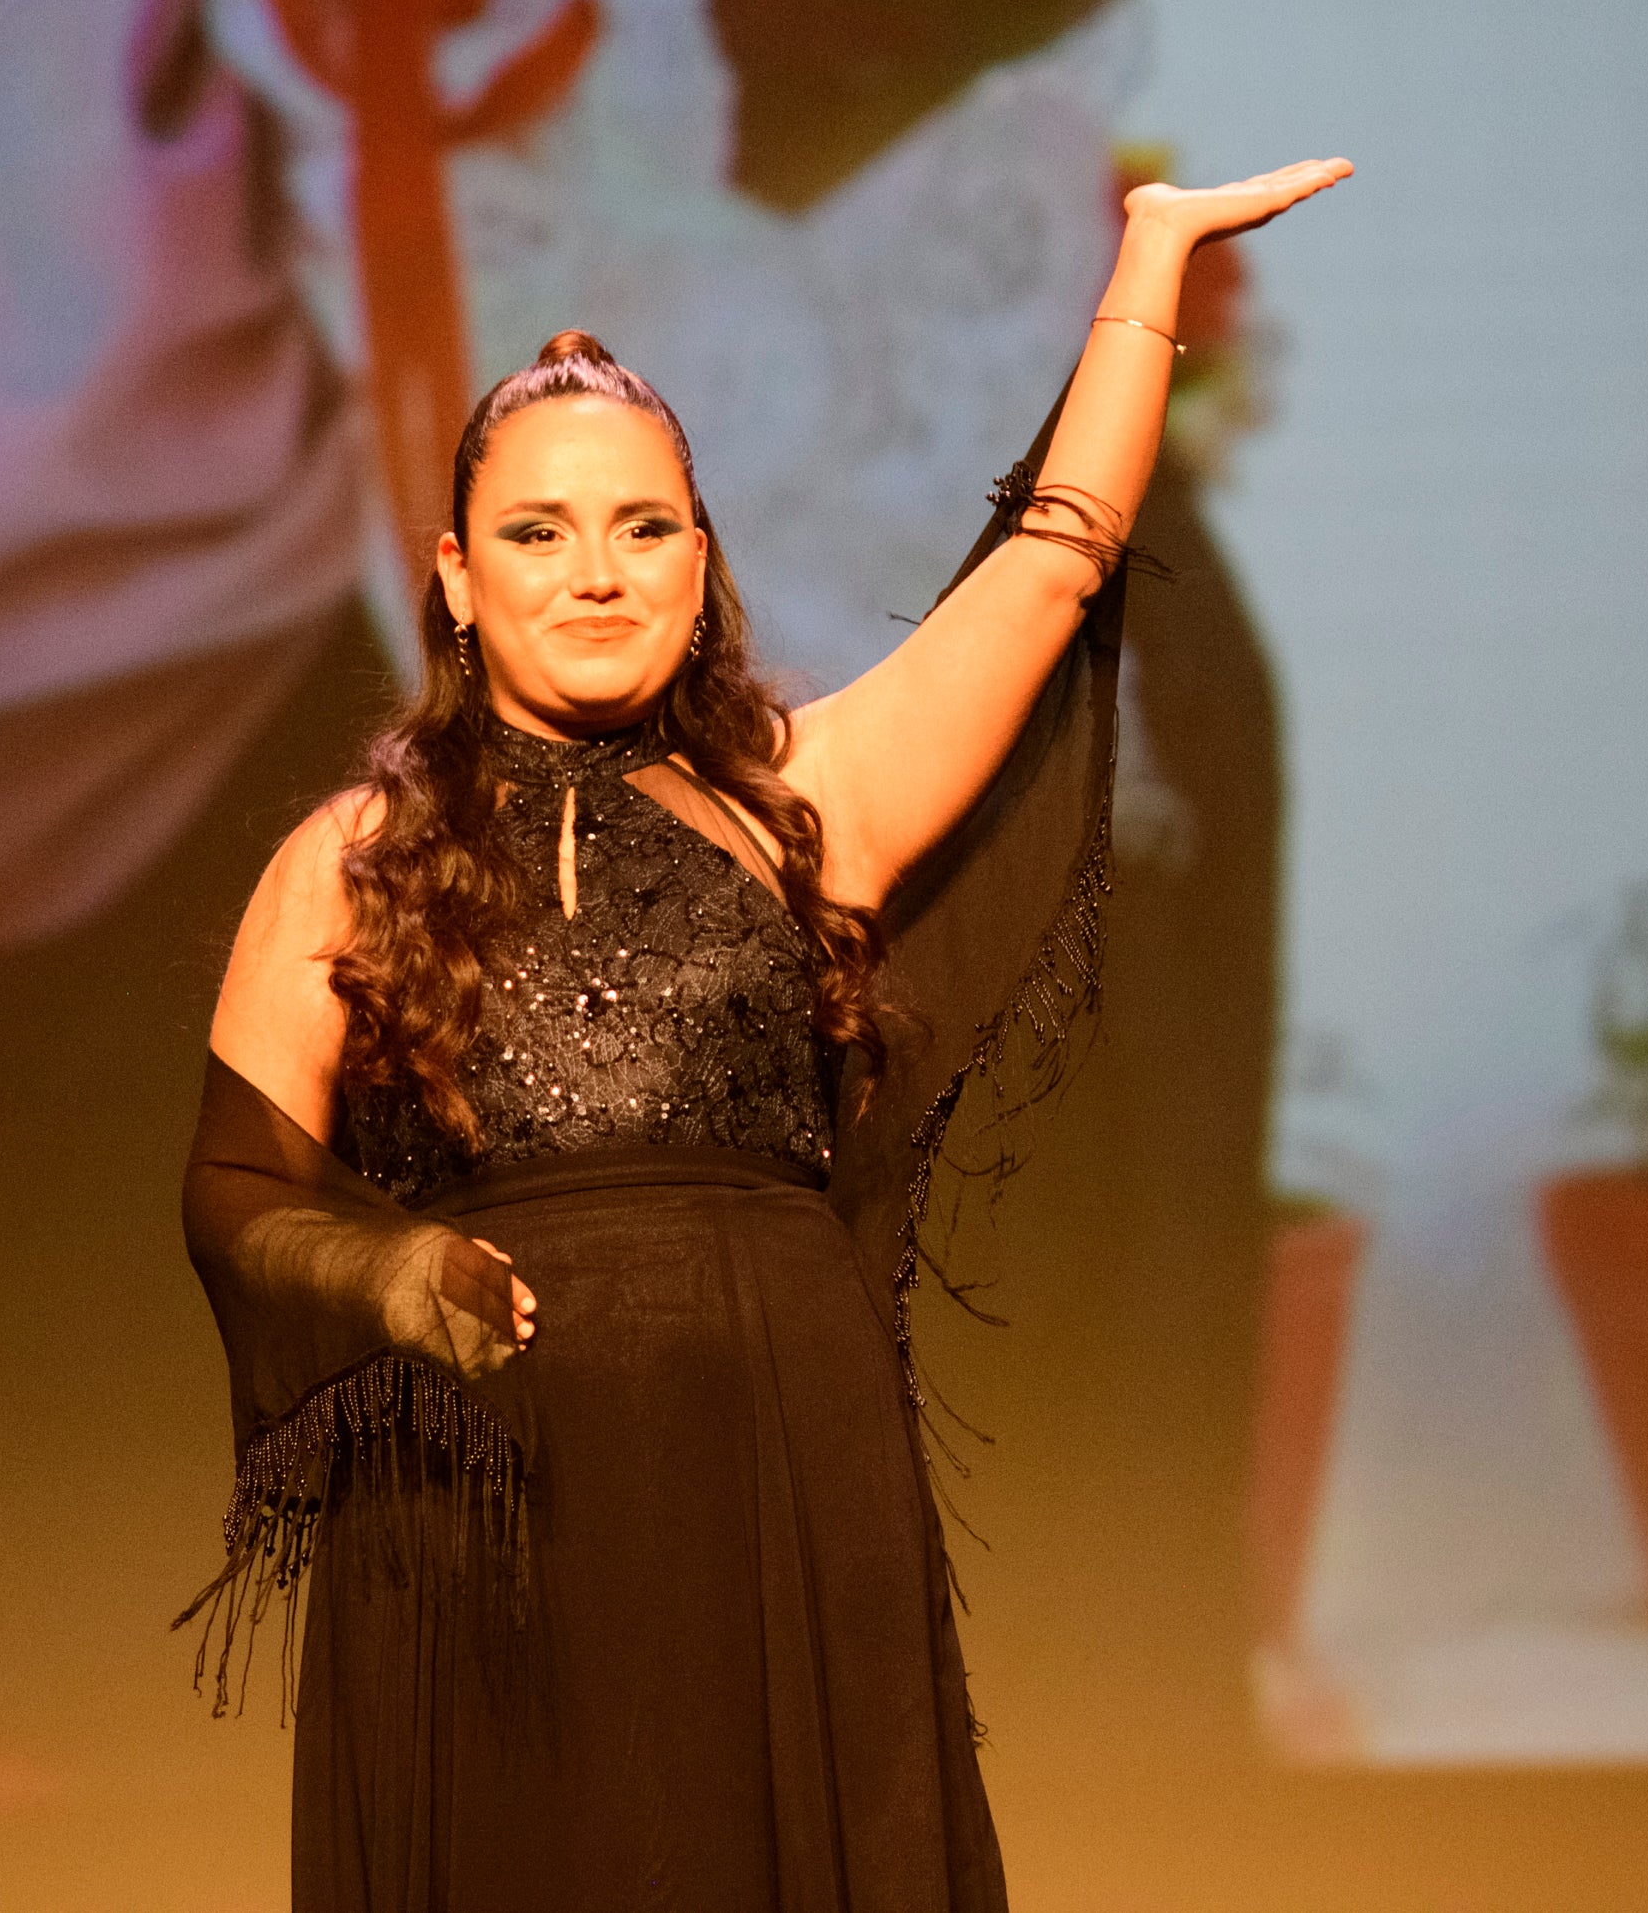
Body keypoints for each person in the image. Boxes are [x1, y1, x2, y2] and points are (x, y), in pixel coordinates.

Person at [187, 156, 1348, 1904]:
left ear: (701, 559)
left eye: (643, 527)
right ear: (451, 571)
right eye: (538, 531)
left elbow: (1049, 567)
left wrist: (1148, 269)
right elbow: (233, 1185)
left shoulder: (808, 805)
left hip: (779, 1473)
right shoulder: (343, 866)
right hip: (478, 1503)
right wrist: (393, 1278)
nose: (596, 574)